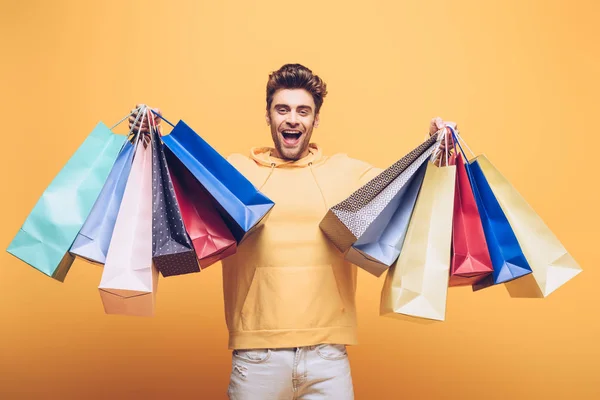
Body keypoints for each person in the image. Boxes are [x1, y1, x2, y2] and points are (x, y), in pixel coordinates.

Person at [129, 63, 454, 400]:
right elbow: (172, 191)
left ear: (315, 120)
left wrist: (436, 152)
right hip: (257, 357)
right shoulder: (235, 172)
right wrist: (147, 140)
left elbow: (407, 192)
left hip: (328, 357)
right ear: (268, 116)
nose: (292, 119)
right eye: (282, 109)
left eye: (303, 111)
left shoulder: (346, 173)